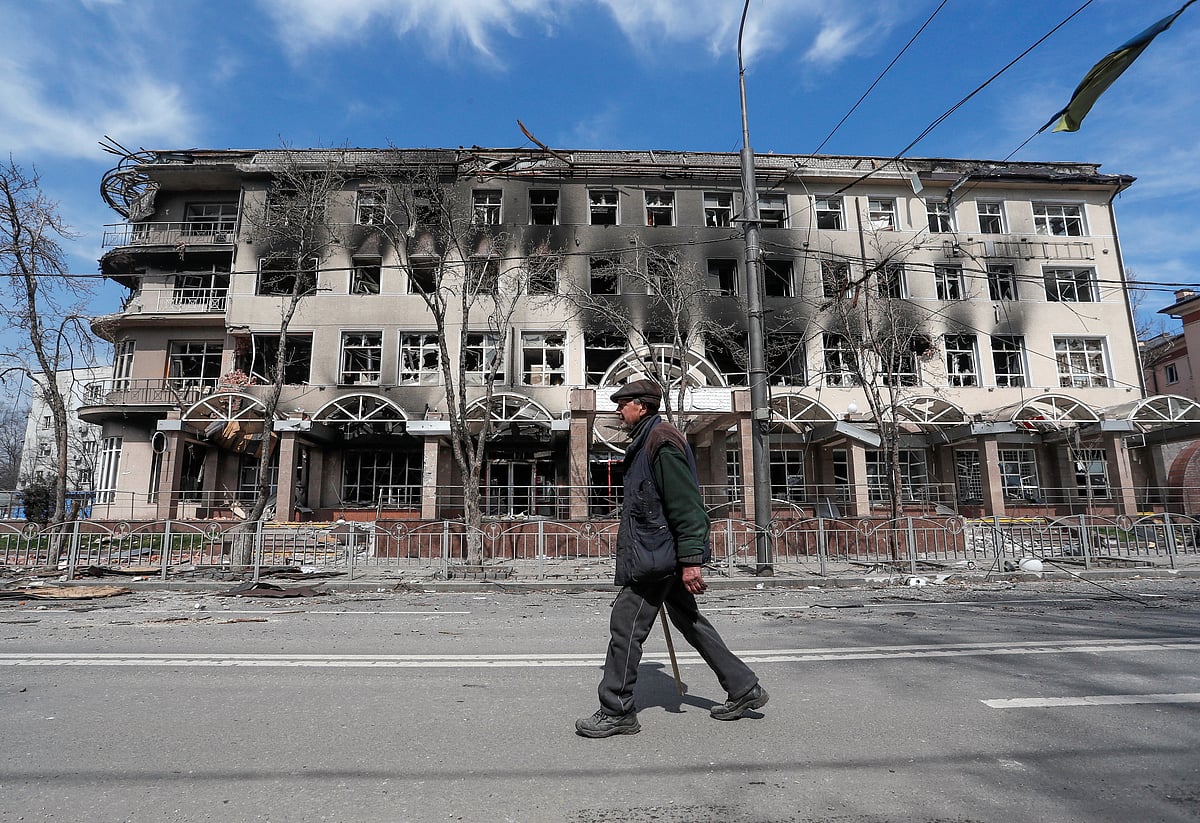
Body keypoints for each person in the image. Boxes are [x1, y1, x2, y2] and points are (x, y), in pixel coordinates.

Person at [576, 379, 768, 738]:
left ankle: (616, 709)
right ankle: (744, 688)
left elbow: (686, 505)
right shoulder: (649, 439)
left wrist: (692, 559)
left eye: (623, 404)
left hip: (657, 558)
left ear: (642, 406)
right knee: (691, 621)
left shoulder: (661, 442)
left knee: (625, 625)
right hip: (658, 552)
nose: (619, 410)